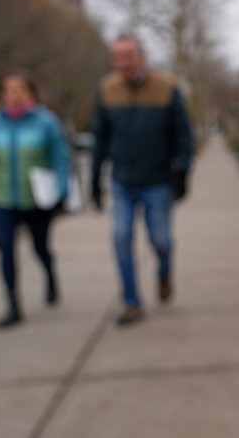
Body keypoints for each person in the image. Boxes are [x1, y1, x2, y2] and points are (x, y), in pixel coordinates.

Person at [91, 34, 193, 326]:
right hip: (122, 181)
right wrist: (94, 178)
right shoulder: (107, 90)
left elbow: (183, 134)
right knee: (121, 237)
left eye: (128, 56)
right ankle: (131, 301)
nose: (123, 63)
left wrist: (182, 171)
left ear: (141, 56)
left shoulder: (167, 88)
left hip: (157, 181)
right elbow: (100, 138)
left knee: (160, 240)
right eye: (117, 57)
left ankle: (164, 270)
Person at [0, 73, 71, 329]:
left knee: (40, 248)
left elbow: (60, 157)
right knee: (6, 250)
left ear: (30, 93)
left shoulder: (46, 122)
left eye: (19, 89)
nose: (14, 95)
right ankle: (12, 304)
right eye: (9, 90)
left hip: (37, 199)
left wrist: (62, 190)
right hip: (3, 199)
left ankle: (50, 275)